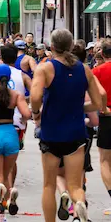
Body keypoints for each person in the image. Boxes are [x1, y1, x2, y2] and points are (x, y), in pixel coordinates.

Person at [32, 29, 106, 222]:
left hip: (51, 133)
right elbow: (100, 99)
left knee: (49, 185)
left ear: (52, 46)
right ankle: (79, 206)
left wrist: (36, 113)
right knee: (75, 185)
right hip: (76, 133)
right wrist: (80, 107)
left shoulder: (46, 68)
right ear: (71, 46)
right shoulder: (84, 69)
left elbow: (35, 97)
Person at [0, 64, 30, 221]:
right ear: (9, 78)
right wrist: (23, 120)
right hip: (10, 135)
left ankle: (0, 201)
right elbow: (27, 113)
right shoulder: (15, 95)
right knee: (6, 174)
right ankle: (8, 200)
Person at [92, 43, 111, 210]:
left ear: (103, 55)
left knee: (105, 160)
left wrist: (103, 108)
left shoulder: (97, 71)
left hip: (107, 118)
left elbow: (98, 93)